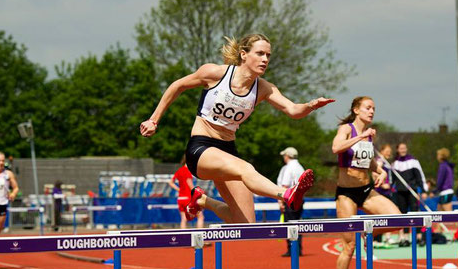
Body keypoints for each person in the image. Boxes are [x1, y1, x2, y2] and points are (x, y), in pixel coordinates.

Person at [140, 33, 334, 223]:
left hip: (229, 151)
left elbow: (292, 110)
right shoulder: (216, 73)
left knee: (245, 224)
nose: (265, 59)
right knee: (246, 168)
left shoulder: (264, 88)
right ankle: (286, 194)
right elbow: (177, 85)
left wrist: (310, 105)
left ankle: (203, 201)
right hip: (201, 149)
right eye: (260, 53)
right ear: (243, 54)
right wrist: (154, 120)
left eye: (268, 55)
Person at [331, 96, 401, 269]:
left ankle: (366, 233)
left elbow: (366, 160)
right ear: (356, 109)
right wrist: (360, 136)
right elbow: (337, 148)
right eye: (368, 108)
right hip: (346, 194)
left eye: (374, 108)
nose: (372, 111)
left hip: (366, 190)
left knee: (397, 219)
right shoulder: (347, 129)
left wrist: (380, 171)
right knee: (348, 246)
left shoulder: (369, 136)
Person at [392, 142, 427, 246]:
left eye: (404, 148)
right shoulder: (394, 164)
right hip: (400, 192)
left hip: (412, 191)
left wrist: (423, 190)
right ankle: (405, 238)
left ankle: (419, 237)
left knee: (415, 212)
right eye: (401, 148)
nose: (403, 150)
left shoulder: (413, 161)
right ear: (398, 150)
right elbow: (392, 180)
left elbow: (419, 176)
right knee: (403, 214)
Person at [277, 147, 305, 256]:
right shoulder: (300, 167)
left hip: (289, 200)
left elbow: (284, 186)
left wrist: (280, 202)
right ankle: (298, 248)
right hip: (300, 199)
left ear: (287, 156)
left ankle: (292, 249)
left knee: (289, 225)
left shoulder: (289, 168)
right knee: (297, 224)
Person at [168, 155, 205, 229]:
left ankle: (183, 238)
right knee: (200, 217)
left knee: (183, 218)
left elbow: (170, 182)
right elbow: (190, 186)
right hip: (188, 198)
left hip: (180, 198)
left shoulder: (179, 171)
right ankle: (199, 237)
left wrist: (179, 190)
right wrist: (200, 194)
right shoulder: (187, 171)